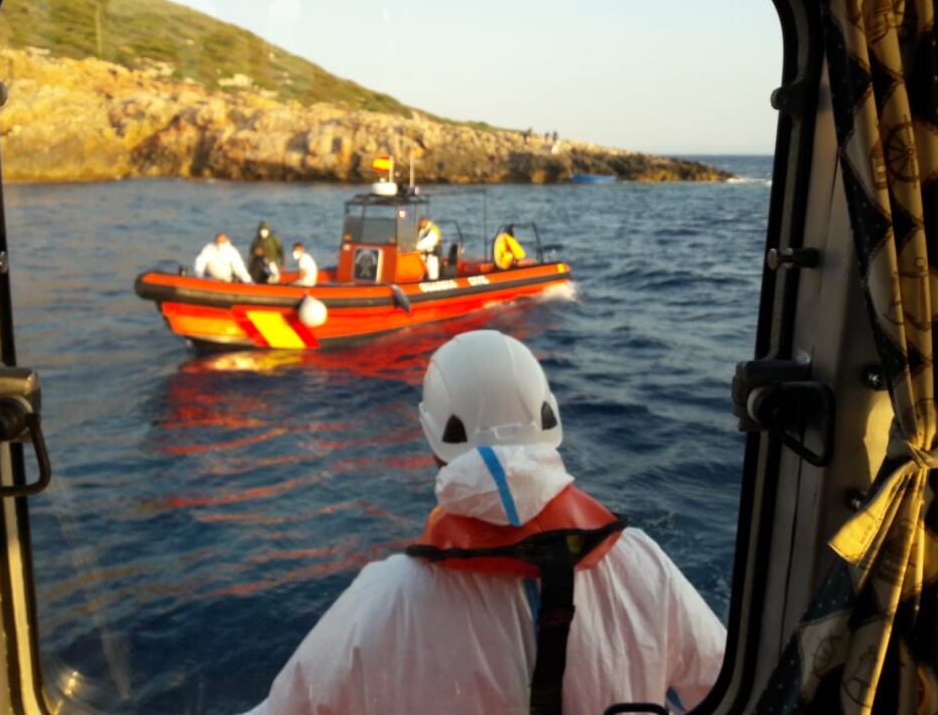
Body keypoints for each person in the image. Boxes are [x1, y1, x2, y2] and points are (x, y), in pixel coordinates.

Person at [242, 330, 725, 715]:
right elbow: (729, 680)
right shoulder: (643, 563)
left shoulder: (385, 599)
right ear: (550, 421)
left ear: (433, 443)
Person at [416, 216, 442, 280]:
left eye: (420, 223)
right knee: (420, 274)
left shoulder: (433, 231)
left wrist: (414, 247)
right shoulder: (422, 229)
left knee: (432, 274)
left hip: (431, 256)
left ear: (425, 222)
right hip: (422, 256)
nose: (418, 224)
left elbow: (426, 242)